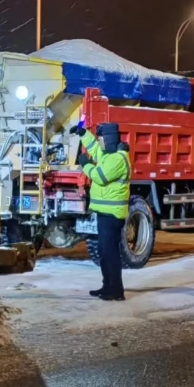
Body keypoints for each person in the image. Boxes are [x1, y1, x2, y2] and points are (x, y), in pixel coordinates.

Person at [69, 122, 131, 301]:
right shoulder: (108, 155)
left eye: (102, 139)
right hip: (105, 213)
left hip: (112, 214)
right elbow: (94, 148)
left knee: (110, 253)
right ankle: (107, 286)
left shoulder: (118, 159)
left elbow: (100, 177)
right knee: (104, 252)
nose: (100, 142)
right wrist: (83, 133)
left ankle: (116, 290)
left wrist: (86, 165)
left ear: (109, 140)